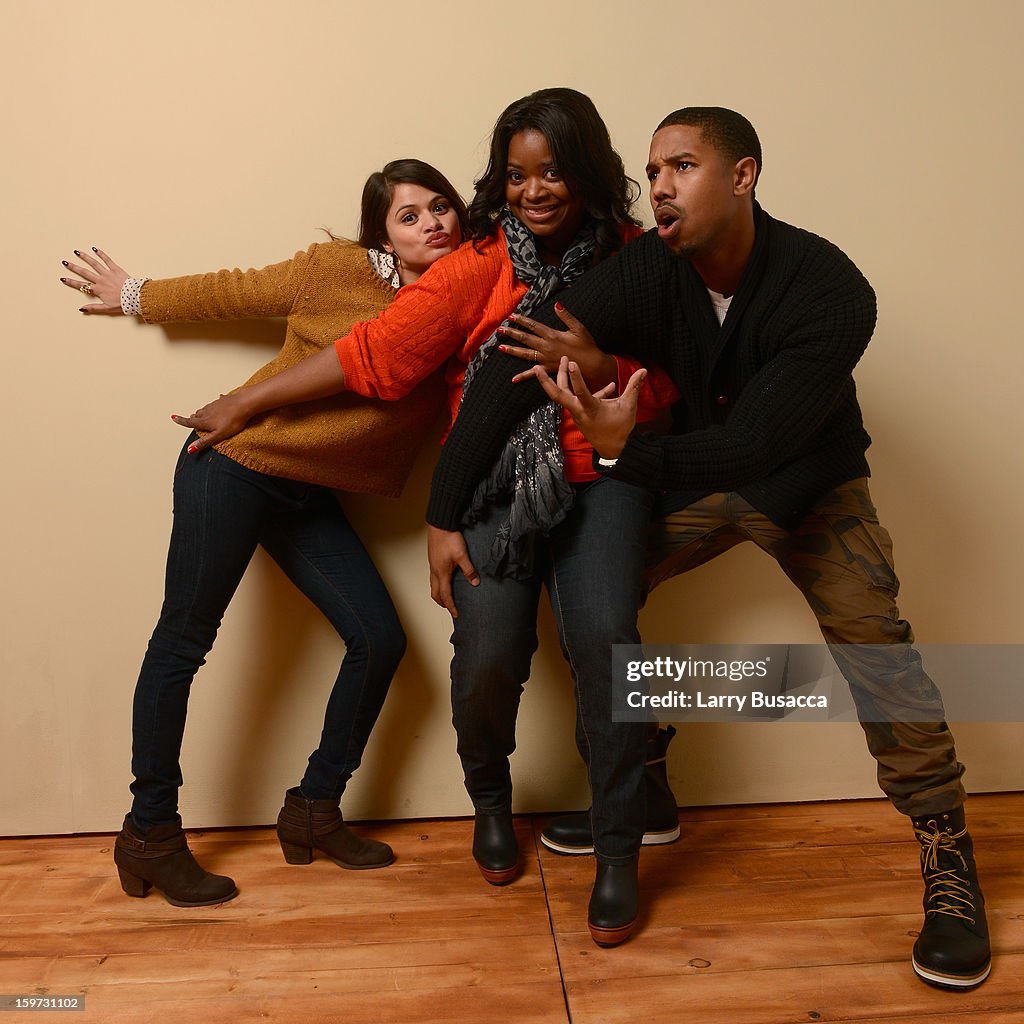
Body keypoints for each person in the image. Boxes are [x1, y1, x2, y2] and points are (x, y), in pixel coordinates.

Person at [423, 107, 991, 991]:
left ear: (744, 176)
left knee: (877, 652)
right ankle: (644, 777)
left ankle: (948, 862)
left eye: (682, 167)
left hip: (806, 485)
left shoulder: (832, 289)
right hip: (687, 471)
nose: (659, 188)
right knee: (599, 598)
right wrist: (443, 511)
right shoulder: (651, 267)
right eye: (652, 172)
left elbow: (758, 446)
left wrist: (619, 443)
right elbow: (510, 355)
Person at [174, 88, 678, 946]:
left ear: (587, 170)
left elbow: (670, 386)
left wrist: (602, 368)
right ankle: (490, 802)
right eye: (517, 175)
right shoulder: (481, 263)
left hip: (605, 480)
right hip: (485, 489)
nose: (534, 190)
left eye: (553, 170)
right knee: (486, 657)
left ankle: (620, 853)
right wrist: (245, 400)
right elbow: (374, 353)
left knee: (608, 647)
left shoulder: (637, 259)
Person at [59, 159, 468, 908]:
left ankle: (313, 809)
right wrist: (134, 294)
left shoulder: (462, 303)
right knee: (183, 642)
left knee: (380, 641)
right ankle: (149, 832)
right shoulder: (334, 271)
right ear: (382, 234)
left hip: (307, 494)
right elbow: (234, 291)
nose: (432, 222)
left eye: (441, 206)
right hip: (235, 466)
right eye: (409, 215)